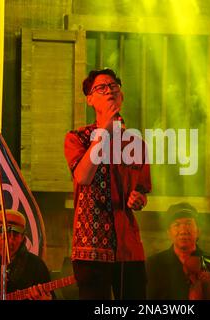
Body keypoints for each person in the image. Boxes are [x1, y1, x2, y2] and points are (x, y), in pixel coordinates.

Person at [64, 68, 151, 300]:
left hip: (128, 249)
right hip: (90, 248)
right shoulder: (77, 138)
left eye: (114, 86)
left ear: (121, 96)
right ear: (90, 99)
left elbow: (141, 189)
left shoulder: (136, 143)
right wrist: (104, 132)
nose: (109, 90)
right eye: (101, 88)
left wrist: (139, 198)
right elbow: (83, 176)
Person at [146, 202, 210, 300]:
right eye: (177, 225)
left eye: (188, 224)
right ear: (169, 233)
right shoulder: (152, 265)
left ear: (198, 231)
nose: (183, 230)